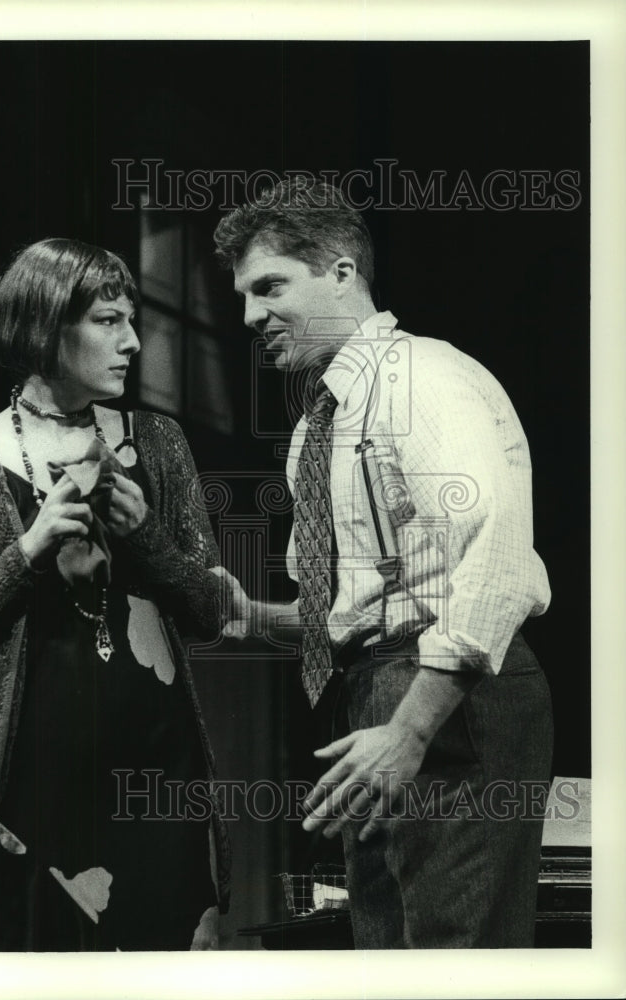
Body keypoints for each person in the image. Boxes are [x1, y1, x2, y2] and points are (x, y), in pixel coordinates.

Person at [213, 177, 554, 948]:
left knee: (454, 958)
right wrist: (246, 615)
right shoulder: (316, 428)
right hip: (371, 693)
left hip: (449, 697)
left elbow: (495, 561)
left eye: (269, 287)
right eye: (242, 295)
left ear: (341, 271)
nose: (250, 316)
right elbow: (342, 613)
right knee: (386, 958)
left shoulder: (423, 378)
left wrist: (408, 730)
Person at [0, 238, 231, 951]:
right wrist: (26, 552)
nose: (133, 342)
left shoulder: (159, 443)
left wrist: (145, 538)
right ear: (48, 328)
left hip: (156, 782)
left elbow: (212, 612)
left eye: (132, 320)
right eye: (109, 322)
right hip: (35, 790)